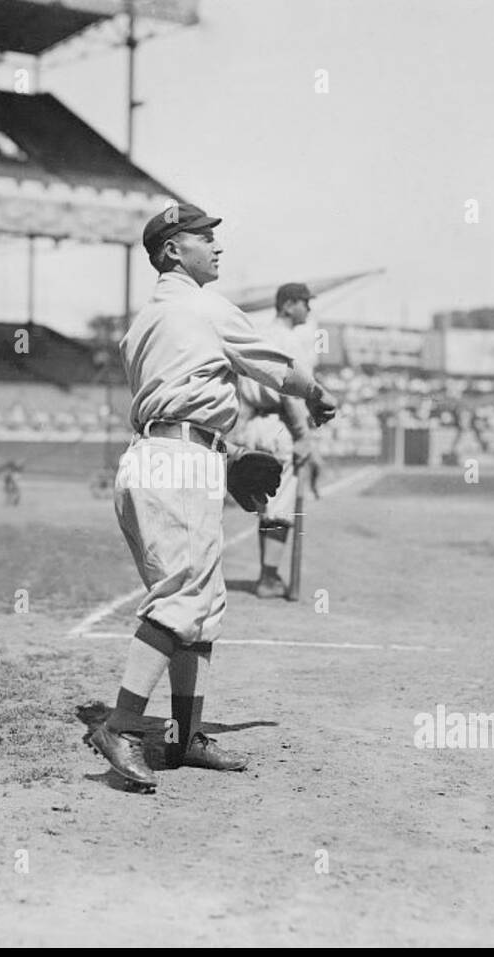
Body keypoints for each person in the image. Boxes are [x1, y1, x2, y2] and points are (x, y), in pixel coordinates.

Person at [83, 203, 338, 790]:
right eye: (205, 238)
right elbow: (280, 369)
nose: (217, 248)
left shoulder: (142, 321)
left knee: (202, 604)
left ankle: (186, 735)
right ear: (173, 251)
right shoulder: (205, 306)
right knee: (184, 598)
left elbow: (175, 393)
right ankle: (120, 726)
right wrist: (317, 395)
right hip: (179, 460)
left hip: (157, 459)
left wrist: (217, 457)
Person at [226, 282, 320, 598]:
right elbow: (290, 393)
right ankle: (269, 578)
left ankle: (267, 575)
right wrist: (304, 436)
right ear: (288, 304)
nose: (309, 308)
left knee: (266, 501)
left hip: (255, 422)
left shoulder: (258, 332)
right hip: (282, 424)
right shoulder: (290, 339)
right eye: (305, 302)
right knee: (280, 504)